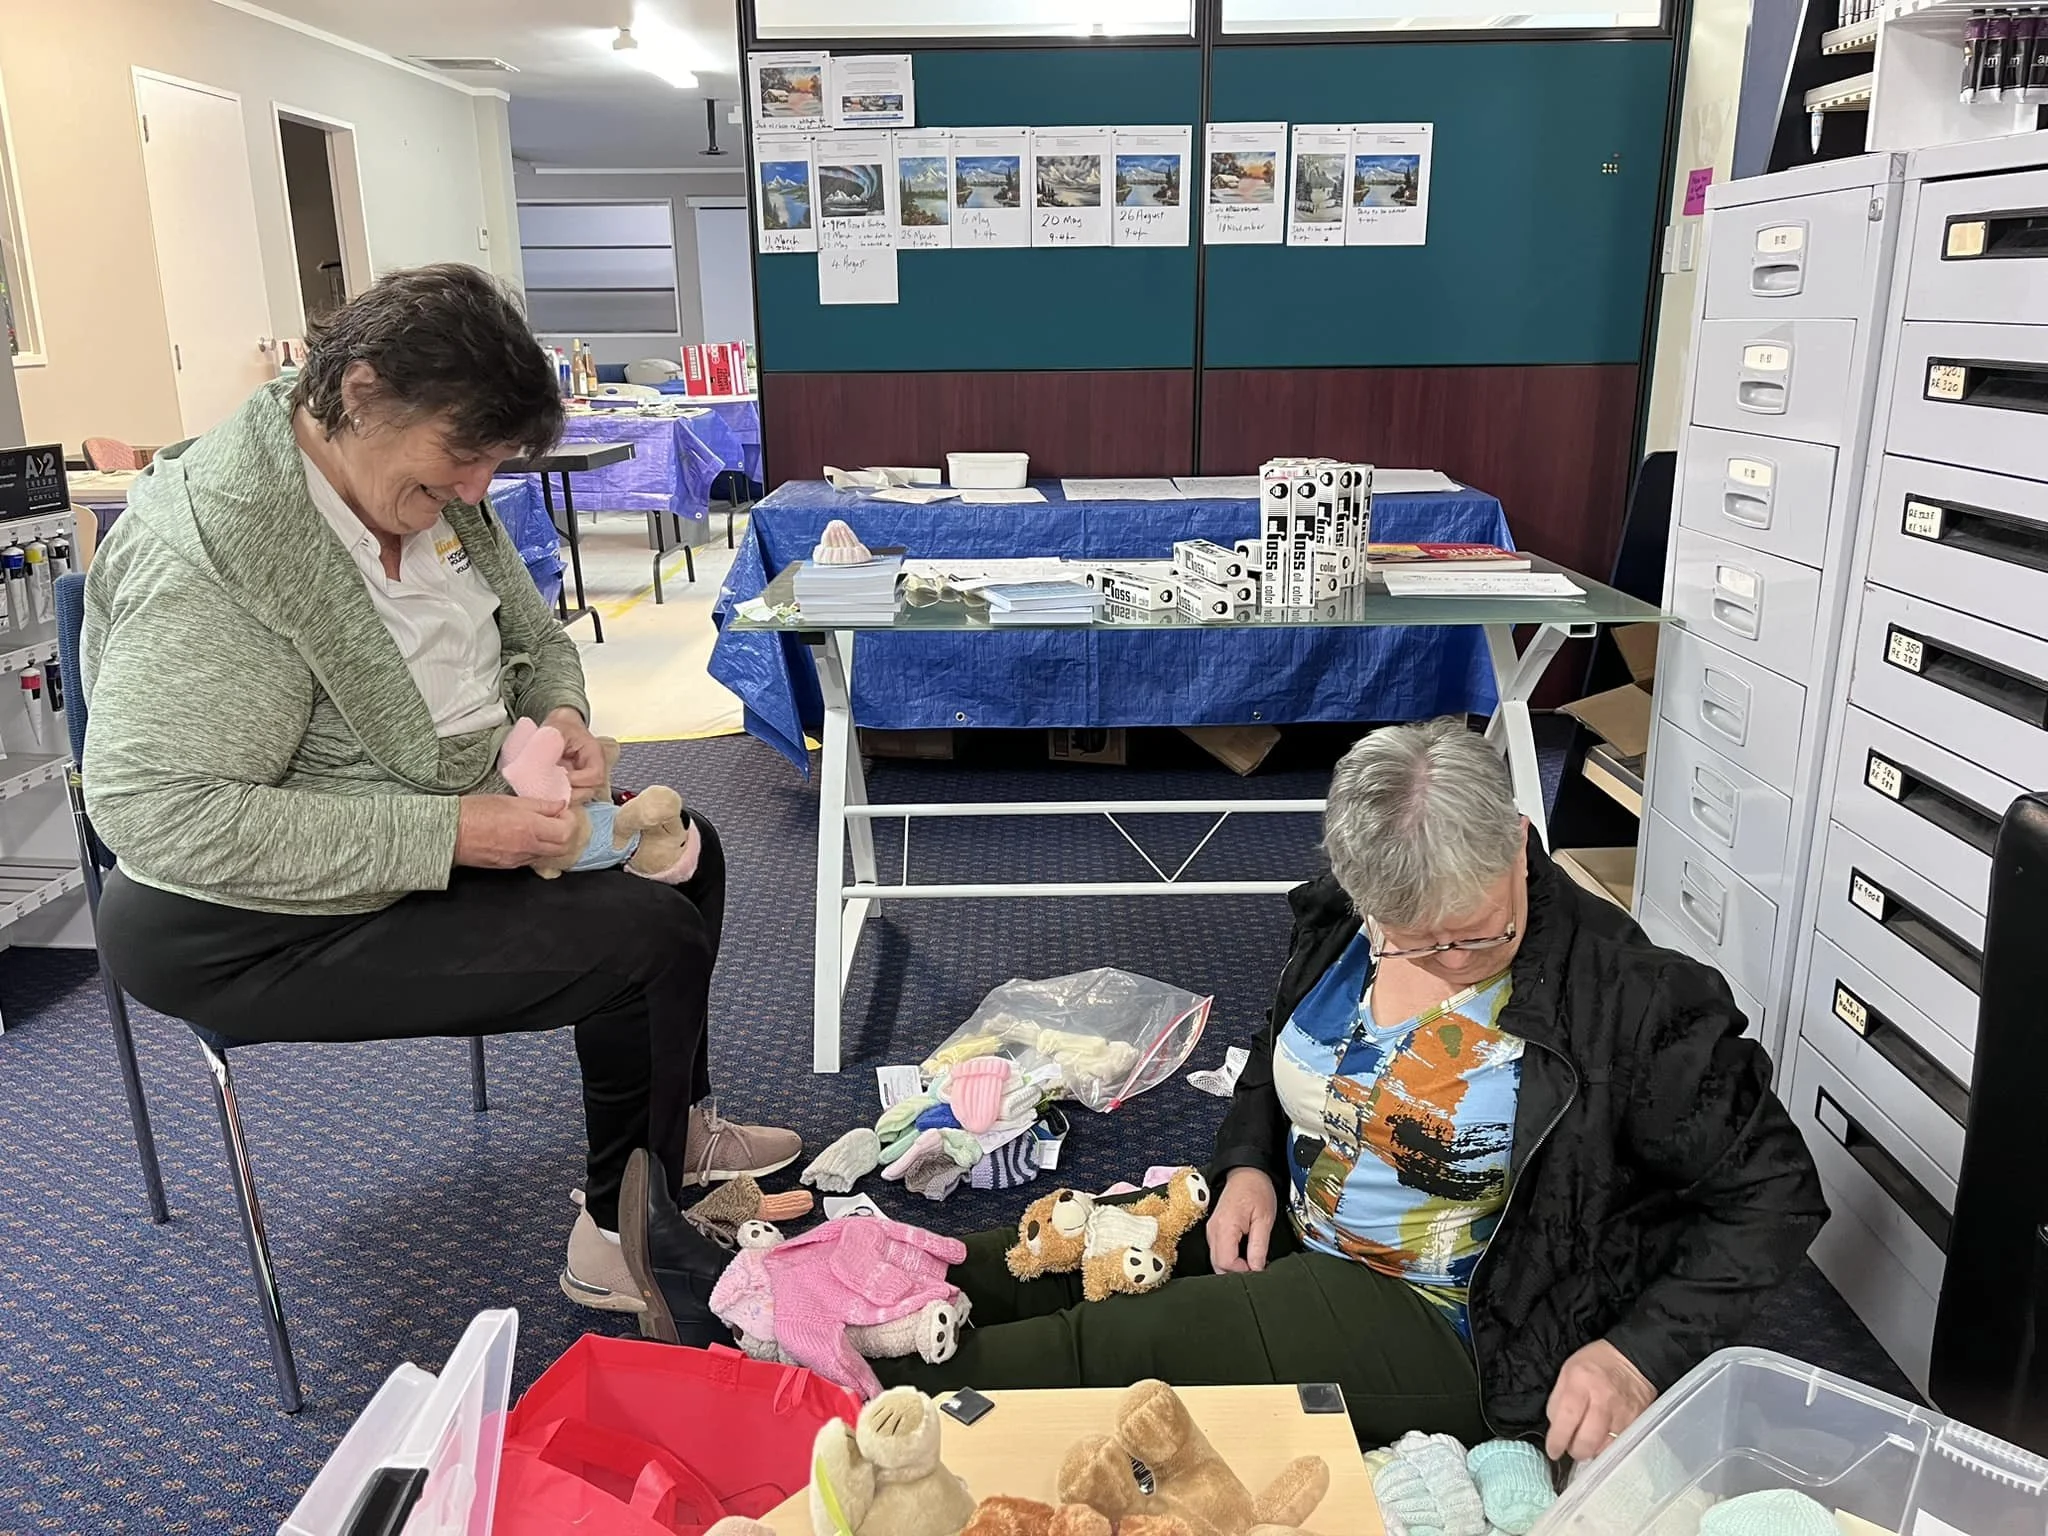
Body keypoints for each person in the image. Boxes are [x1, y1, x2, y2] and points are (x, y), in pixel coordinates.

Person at [81, 263, 798, 1319]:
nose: (474, 490)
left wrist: (560, 714)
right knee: (645, 941)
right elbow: (160, 816)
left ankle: (671, 1140)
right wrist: (454, 834)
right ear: (360, 393)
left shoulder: (421, 488)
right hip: (243, 919)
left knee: (690, 853)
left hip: (427, 829)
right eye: (464, 459)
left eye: (493, 464)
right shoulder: (221, 550)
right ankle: (621, 1237)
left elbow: (532, 636)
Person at [845, 718, 1828, 1455]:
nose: (1443, 964)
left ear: (1519, 842)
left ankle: (836, 1414)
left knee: (1094, 1355)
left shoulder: (1632, 1000)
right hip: (1293, 1214)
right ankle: (819, 1314)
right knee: (1018, 1257)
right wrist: (1246, 1163)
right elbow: (1277, 1056)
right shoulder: (1342, 920)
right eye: (1408, 941)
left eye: (1473, 936)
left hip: (1459, 1314)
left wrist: (1635, 1356)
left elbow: (1774, 1196)